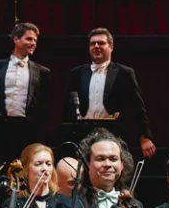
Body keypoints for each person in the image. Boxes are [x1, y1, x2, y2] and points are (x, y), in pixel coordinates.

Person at [63, 26, 154, 158]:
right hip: (84, 131)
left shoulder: (125, 73)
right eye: (92, 43)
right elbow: (68, 108)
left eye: (101, 43)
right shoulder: (77, 73)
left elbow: (137, 107)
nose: (96, 46)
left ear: (111, 47)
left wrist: (145, 137)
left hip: (114, 130)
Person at [0, 21, 49, 125]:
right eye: (29, 39)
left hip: (28, 128)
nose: (33, 43)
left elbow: (44, 106)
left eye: (35, 41)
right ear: (16, 39)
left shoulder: (42, 72)